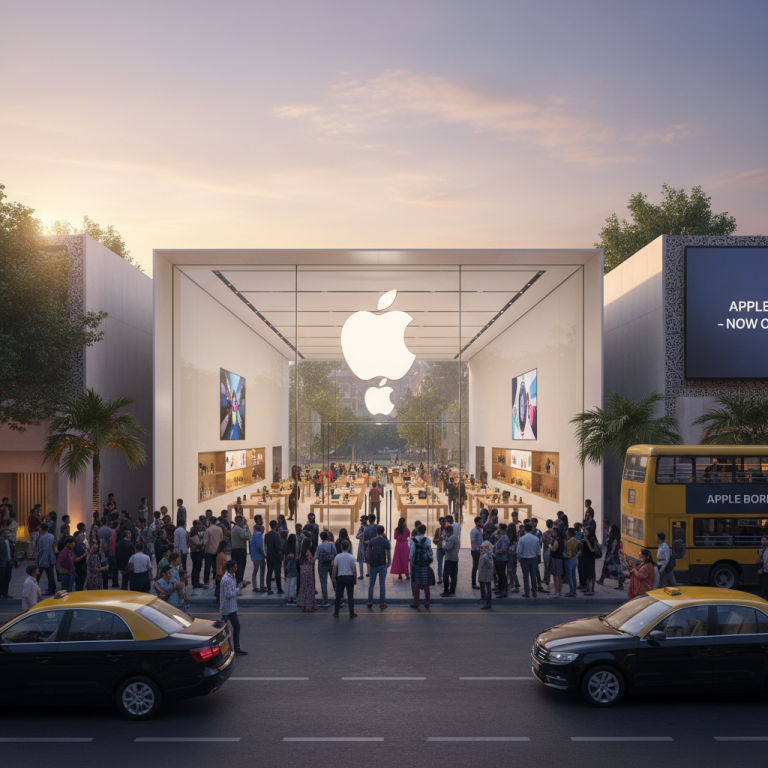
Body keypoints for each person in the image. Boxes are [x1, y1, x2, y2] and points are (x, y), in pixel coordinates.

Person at [219, 559, 249, 655]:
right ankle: (221, 648)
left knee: (236, 627)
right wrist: (240, 588)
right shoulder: (226, 579)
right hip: (226, 608)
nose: (236, 568)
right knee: (222, 630)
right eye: (235, 567)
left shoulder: (232, 576)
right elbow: (229, 594)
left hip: (232, 607)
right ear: (231, 568)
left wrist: (240, 586)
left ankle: (236, 647)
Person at [409, 524, 433, 610]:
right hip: (425, 564)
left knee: (416, 583)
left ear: (418, 531)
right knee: (426, 584)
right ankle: (427, 602)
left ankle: (416, 601)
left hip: (416, 564)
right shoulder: (427, 540)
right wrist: (430, 561)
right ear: (425, 531)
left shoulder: (413, 540)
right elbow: (430, 551)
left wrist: (411, 563)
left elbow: (411, 553)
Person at [332, 539, 358, 618]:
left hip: (340, 578)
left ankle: (336, 612)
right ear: (349, 547)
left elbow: (335, 569)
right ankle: (351, 613)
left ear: (341, 547)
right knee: (350, 595)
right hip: (349, 577)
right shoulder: (351, 557)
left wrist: (334, 579)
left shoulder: (337, 557)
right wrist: (355, 579)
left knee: (338, 596)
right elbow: (354, 569)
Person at [367, 525, 391, 610]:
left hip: (373, 565)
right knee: (382, 585)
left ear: (376, 532)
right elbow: (388, 553)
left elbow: (369, 553)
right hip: (382, 565)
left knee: (371, 585)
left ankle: (370, 602)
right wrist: (389, 562)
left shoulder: (372, 541)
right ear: (383, 532)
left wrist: (369, 563)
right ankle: (382, 603)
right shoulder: (385, 541)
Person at [599, 524, 626, 591]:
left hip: (612, 556)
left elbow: (613, 548)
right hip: (611, 555)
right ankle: (601, 580)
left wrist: (610, 555)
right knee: (606, 568)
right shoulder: (613, 537)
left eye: (610, 529)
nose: (609, 530)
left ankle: (620, 584)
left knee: (616, 570)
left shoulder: (614, 539)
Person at [518, 522, 540, 599]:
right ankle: (534, 592)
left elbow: (519, 551)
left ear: (524, 529)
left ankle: (527, 592)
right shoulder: (536, 538)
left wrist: (519, 558)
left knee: (525, 576)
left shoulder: (522, 539)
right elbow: (538, 551)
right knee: (533, 576)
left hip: (524, 559)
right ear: (532, 529)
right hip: (533, 558)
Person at [296, 539, 317, 612]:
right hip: (308, 570)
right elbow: (311, 561)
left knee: (304, 586)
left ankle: (303, 604)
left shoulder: (302, 551)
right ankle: (308, 605)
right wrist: (315, 558)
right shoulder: (308, 552)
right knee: (309, 587)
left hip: (303, 569)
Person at [231, 515, 251, 585]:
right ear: (241, 521)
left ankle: (237, 582)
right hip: (240, 550)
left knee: (236, 567)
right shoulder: (239, 529)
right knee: (240, 567)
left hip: (235, 550)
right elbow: (248, 536)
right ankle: (239, 583)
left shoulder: (234, 528)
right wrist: (247, 529)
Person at [203, 516, 224, 587]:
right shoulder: (220, 529)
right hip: (217, 550)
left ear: (209, 522)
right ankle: (217, 579)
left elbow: (205, 542)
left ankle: (206, 582)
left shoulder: (208, 530)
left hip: (209, 550)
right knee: (216, 566)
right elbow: (221, 539)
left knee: (207, 566)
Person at [265, 519, 284, 595]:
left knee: (269, 572)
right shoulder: (277, 535)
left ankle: (269, 589)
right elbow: (278, 546)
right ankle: (279, 589)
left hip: (269, 555)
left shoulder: (266, 535)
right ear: (276, 526)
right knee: (277, 573)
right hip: (276, 556)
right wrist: (280, 554)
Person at [441, 524, 460, 596]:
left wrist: (444, 542)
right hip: (455, 558)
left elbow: (447, 548)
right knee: (453, 576)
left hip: (449, 559)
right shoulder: (456, 536)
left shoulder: (451, 538)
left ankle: (446, 591)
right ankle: (452, 590)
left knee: (445, 575)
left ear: (448, 532)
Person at [582, 524, 600, 595]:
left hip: (590, 558)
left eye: (586, 530)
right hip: (585, 557)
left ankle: (591, 590)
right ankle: (587, 588)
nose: (585, 531)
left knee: (590, 574)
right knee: (586, 574)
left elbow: (592, 550)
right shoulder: (586, 537)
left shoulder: (592, 539)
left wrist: (586, 541)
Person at [493, 523, 510, 598]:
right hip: (499, 558)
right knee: (499, 574)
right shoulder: (502, 537)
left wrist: (497, 551)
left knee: (502, 575)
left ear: (502, 529)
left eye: (499, 528)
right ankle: (500, 588)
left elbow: (504, 548)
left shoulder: (505, 538)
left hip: (502, 559)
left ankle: (504, 590)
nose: (498, 530)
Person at [549, 524, 565, 598]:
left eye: (553, 532)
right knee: (559, 576)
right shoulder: (561, 540)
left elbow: (554, 549)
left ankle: (557, 592)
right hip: (560, 559)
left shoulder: (557, 541)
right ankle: (559, 591)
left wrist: (550, 546)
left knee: (556, 576)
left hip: (556, 559)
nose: (552, 533)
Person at [478, 541, 494, 609]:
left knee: (488, 586)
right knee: (483, 584)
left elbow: (490, 565)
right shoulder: (485, 554)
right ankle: (483, 597)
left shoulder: (485, 555)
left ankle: (488, 602)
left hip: (486, 572)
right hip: (484, 572)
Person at [189, 519, 204, 593]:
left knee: (197, 567)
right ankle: (195, 583)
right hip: (195, 552)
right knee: (196, 567)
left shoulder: (196, 532)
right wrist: (203, 542)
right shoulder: (193, 532)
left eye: (200, 524)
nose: (200, 526)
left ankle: (196, 582)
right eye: (198, 524)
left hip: (198, 552)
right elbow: (197, 542)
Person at [250, 524, 266, 593]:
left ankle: (255, 586)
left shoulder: (253, 535)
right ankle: (261, 587)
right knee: (262, 572)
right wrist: (264, 555)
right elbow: (258, 547)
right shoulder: (259, 535)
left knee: (255, 571)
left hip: (254, 556)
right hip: (259, 557)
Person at [470, 516, 484, 590]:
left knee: (480, 567)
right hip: (476, 552)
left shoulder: (480, 530)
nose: (482, 523)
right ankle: (473, 583)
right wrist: (477, 549)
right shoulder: (474, 531)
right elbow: (473, 542)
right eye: (481, 521)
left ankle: (481, 581)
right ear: (477, 522)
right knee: (475, 567)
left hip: (480, 550)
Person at [433, 517, 447, 585]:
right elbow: (434, 540)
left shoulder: (448, 530)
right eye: (441, 522)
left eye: (444, 522)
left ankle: (446, 577)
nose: (443, 523)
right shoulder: (438, 530)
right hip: (440, 548)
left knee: (447, 564)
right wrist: (439, 540)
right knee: (439, 564)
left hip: (447, 549)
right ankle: (440, 577)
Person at [0, 529, 12, 598]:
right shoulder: (1, 541)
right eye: (6, 533)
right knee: (2, 577)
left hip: (8, 562)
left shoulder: (9, 542)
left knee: (7, 577)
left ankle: (5, 593)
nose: (8, 534)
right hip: (2, 562)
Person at [758, 536, 768, 600]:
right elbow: (764, 560)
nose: (762, 542)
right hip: (765, 570)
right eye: (762, 540)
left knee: (765, 585)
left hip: (766, 570)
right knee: (763, 584)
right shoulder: (764, 549)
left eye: (764, 540)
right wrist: (760, 560)